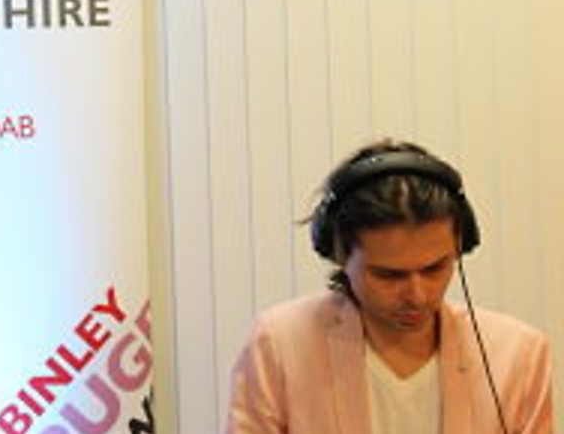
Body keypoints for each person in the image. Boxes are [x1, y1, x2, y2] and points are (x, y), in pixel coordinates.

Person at [224, 139, 553, 433]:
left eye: (434, 268)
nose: (417, 295)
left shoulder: (517, 355)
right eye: (389, 275)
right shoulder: (280, 345)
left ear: (460, 247)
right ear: (339, 254)